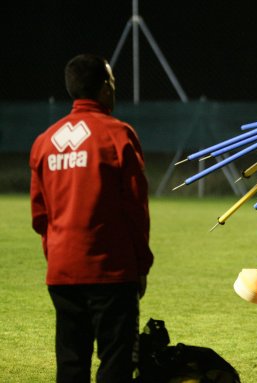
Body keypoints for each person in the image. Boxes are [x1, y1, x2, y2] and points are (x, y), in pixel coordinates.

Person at [29, 53, 154, 383]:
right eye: (112, 84)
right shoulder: (118, 135)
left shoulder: (44, 142)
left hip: (62, 274)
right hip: (110, 272)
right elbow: (135, 209)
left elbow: (40, 216)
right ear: (103, 89)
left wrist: (57, 257)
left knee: (70, 365)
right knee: (116, 363)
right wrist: (141, 265)